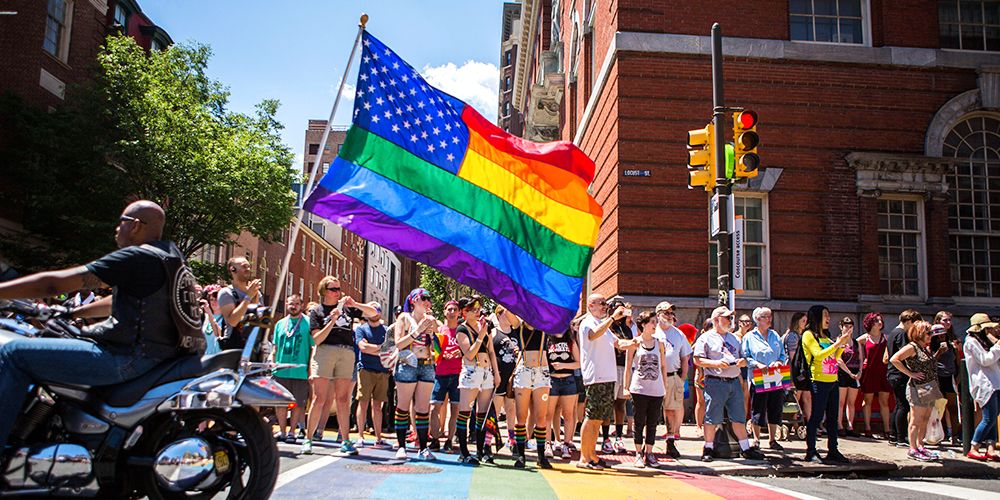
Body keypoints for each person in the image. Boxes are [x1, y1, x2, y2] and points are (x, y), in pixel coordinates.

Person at [0, 200, 186, 449]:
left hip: (127, 358)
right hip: (154, 357)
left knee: (14, 354)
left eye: (121, 222)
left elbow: (56, 284)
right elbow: (119, 300)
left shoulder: (137, 256)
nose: (117, 228)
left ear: (136, 226)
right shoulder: (170, 256)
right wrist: (76, 310)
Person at [301, 277, 377, 456]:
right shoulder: (317, 311)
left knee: (343, 399)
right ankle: (308, 439)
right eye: (333, 289)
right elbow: (317, 339)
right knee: (319, 398)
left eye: (338, 288)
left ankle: (345, 440)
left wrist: (355, 303)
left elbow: (373, 312)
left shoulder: (348, 309)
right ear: (324, 291)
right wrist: (331, 320)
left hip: (346, 352)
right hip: (325, 351)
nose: (338, 292)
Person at [693, 306, 766, 462]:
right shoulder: (705, 338)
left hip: (734, 381)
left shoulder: (734, 338)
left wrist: (742, 362)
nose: (729, 320)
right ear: (716, 319)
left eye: (730, 318)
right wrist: (716, 363)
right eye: (726, 317)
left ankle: (745, 448)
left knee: (738, 416)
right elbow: (697, 359)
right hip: (715, 381)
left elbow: (745, 358)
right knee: (712, 417)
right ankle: (708, 447)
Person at [576, 293, 639, 470]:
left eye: (606, 303)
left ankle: (592, 455)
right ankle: (584, 457)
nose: (605, 306)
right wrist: (612, 318)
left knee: (599, 418)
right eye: (601, 303)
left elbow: (618, 343)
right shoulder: (587, 322)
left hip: (608, 377)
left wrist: (636, 342)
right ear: (590, 306)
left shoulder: (603, 325)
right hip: (596, 377)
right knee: (592, 416)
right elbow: (593, 335)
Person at [498, 308, 553, 469]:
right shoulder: (519, 325)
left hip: (542, 373)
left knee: (541, 417)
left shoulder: (545, 325)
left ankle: (541, 456)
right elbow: (507, 311)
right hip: (524, 372)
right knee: (521, 416)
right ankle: (521, 455)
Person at [392, 288, 439, 460]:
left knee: (422, 408)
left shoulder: (432, 320)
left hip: (426, 364)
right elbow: (398, 344)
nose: (427, 302)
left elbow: (440, 344)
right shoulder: (404, 318)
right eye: (423, 298)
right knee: (403, 405)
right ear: (413, 301)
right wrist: (417, 331)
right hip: (407, 363)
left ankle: (423, 447)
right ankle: (402, 446)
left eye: (429, 298)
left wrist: (433, 335)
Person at [802, 305, 851, 464]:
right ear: (816, 317)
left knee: (832, 417)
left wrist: (842, 345)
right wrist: (837, 344)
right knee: (816, 416)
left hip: (832, 380)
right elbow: (818, 354)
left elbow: (834, 356)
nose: (828, 319)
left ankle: (833, 449)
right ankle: (811, 451)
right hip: (818, 380)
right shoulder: (809, 335)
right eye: (825, 315)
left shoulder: (826, 335)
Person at [454, 296, 500, 464]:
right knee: (465, 412)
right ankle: (464, 452)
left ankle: (481, 451)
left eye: (478, 308)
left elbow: (491, 351)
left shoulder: (484, 326)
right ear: (464, 312)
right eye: (472, 309)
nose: (477, 311)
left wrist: (496, 373)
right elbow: (469, 353)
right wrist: (480, 335)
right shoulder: (461, 329)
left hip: (486, 371)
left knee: (482, 413)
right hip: (472, 371)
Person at [890, 320, 944, 462]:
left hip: (929, 386)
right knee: (916, 419)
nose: (930, 335)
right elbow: (894, 359)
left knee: (925, 418)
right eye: (928, 333)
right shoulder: (912, 347)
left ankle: (920, 445)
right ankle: (912, 448)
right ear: (919, 333)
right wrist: (910, 373)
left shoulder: (925, 347)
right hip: (917, 387)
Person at [624, 311, 669, 468]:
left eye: (655, 322)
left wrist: (665, 386)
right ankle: (638, 453)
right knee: (639, 421)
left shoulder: (660, 343)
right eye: (651, 322)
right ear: (643, 324)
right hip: (639, 389)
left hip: (656, 389)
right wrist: (625, 387)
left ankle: (649, 452)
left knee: (652, 422)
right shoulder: (635, 343)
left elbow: (663, 365)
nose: (654, 325)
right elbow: (628, 366)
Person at [742, 306, 787, 451]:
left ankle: (772, 439)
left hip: (776, 374)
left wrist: (779, 362)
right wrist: (757, 364)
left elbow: (782, 354)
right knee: (759, 407)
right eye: (766, 317)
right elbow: (745, 357)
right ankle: (756, 439)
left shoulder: (775, 335)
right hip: (758, 375)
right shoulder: (749, 337)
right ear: (758, 319)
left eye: (770, 316)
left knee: (775, 406)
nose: (769, 319)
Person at [271, 294, 314, 445]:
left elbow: (313, 347)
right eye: (290, 303)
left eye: (296, 304)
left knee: (298, 403)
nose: (293, 306)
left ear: (302, 305)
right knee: (280, 402)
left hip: (300, 369)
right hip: (281, 369)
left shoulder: (308, 324)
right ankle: (282, 431)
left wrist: (310, 368)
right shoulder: (280, 324)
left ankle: (292, 432)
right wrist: (272, 362)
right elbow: (275, 347)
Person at [652, 301, 691, 458]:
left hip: (672, 376)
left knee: (671, 410)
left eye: (671, 313)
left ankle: (670, 441)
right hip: (653, 377)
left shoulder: (678, 334)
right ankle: (647, 444)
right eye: (666, 313)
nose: (669, 316)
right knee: (651, 411)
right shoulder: (653, 332)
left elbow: (685, 357)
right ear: (658, 314)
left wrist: (682, 378)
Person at [963, 313, 1000, 461]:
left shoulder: (985, 341)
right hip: (984, 384)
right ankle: (974, 446)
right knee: (988, 418)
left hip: (995, 382)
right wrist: (997, 347)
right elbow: (985, 360)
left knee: (994, 417)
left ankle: (990, 448)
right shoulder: (971, 342)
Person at [355, 302, 392, 448]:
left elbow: (389, 349)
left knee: (378, 405)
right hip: (366, 369)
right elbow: (363, 348)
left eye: (377, 310)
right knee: (362, 402)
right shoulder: (361, 329)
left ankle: (378, 437)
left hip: (382, 371)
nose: (374, 313)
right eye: (371, 310)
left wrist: (373, 348)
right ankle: (360, 436)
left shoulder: (387, 330)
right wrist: (380, 348)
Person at [885, 309, 922, 448]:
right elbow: (903, 355)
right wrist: (911, 372)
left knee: (898, 405)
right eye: (913, 324)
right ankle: (901, 438)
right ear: (907, 322)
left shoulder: (893, 332)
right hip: (899, 374)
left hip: (893, 374)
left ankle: (893, 436)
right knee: (903, 406)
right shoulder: (901, 334)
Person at [546, 317, 581, 460]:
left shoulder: (571, 342)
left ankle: (566, 443)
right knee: (548, 414)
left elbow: (579, 363)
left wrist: (564, 366)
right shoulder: (548, 340)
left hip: (568, 380)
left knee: (568, 414)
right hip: (552, 379)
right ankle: (549, 442)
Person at [430, 300, 462, 451]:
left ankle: (449, 440)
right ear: (444, 312)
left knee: (455, 409)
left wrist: (460, 352)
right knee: (434, 407)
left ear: (459, 312)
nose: (452, 312)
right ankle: (435, 439)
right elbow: (432, 351)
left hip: (458, 375)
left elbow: (470, 351)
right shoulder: (440, 330)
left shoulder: (463, 331)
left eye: (455, 309)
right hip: (441, 374)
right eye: (449, 309)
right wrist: (440, 355)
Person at [604, 296, 634, 454]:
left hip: (624, 367)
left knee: (621, 404)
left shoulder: (627, 329)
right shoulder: (608, 327)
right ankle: (605, 438)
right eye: (619, 309)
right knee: (608, 403)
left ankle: (619, 437)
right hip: (611, 367)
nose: (622, 313)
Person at [857, 312, 892, 439]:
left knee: (884, 401)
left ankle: (887, 429)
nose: (879, 322)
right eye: (876, 320)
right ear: (870, 323)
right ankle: (867, 428)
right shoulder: (865, 338)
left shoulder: (886, 338)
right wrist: (862, 359)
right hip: (869, 372)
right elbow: (854, 344)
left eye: (880, 320)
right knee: (867, 400)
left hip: (883, 372)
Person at [217, 256, 262, 351]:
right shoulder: (226, 292)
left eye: (249, 266)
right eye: (244, 266)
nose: (248, 269)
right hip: (233, 348)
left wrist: (255, 298)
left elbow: (258, 321)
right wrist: (248, 297)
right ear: (232, 270)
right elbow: (232, 321)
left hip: (253, 346)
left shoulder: (256, 293)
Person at [490, 306, 520, 451]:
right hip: (498, 375)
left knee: (511, 409)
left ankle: (511, 438)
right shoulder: (494, 332)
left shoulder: (517, 332)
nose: (510, 315)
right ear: (499, 315)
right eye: (506, 312)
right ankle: (490, 439)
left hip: (513, 376)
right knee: (495, 409)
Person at [932, 310, 961, 446]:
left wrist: (958, 376)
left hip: (950, 376)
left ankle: (954, 435)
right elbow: (929, 360)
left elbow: (958, 361)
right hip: (937, 376)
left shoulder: (953, 339)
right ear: (938, 322)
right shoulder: (931, 338)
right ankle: (936, 435)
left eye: (949, 320)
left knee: (953, 407)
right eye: (945, 320)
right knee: (938, 407)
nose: (948, 323)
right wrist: (939, 352)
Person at [783, 312, 811, 424]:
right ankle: (794, 422)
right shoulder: (792, 336)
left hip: (804, 371)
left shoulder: (804, 335)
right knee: (795, 397)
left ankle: (809, 422)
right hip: (793, 371)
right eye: (803, 321)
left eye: (806, 321)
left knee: (807, 396)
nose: (805, 323)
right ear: (797, 322)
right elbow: (792, 356)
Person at [835, 316, 861, 438]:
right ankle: (839, 424)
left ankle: (850, 425)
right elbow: (838, 359)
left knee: (851, 402)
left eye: (850, 327)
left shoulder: (855, 343)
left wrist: (860, 371)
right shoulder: (838, 341)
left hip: (855, 372)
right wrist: (849, 372)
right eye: (846, 326)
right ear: (841, 327)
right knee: (841, 401)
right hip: (842, 372)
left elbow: (861, 358)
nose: (848, 329)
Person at [735, 313, 755, 415]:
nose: (747, 324)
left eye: (749, 322)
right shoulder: (734, 337)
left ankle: (744, 420)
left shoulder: (751, 337)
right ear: (739, 323)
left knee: (746, 395)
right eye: (745, 322)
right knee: (738, 396)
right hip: (738, 368)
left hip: (748, 367)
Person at [199, 284, 223, 355]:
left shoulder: (226, 317)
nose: (213, 302)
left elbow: (219, 334)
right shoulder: (205, 317)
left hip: (219, 357)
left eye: (216, 299)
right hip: (206, 357)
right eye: (211, 299)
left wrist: (209, 314)